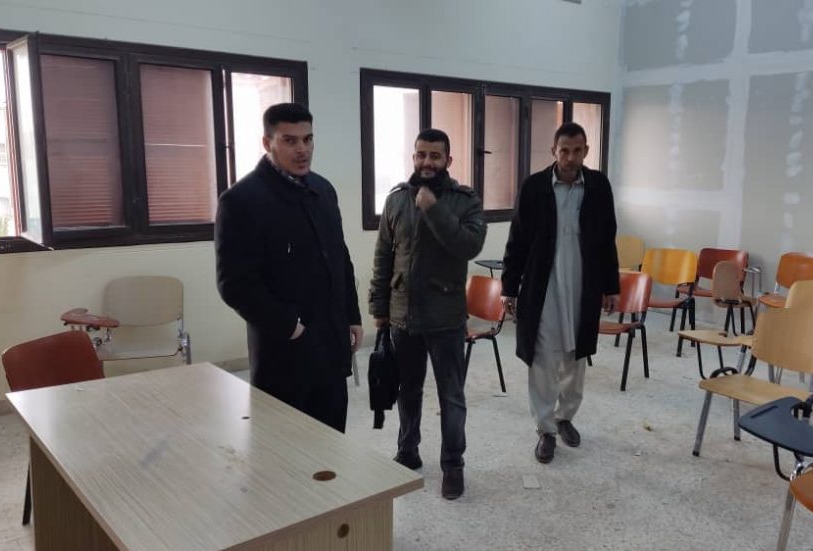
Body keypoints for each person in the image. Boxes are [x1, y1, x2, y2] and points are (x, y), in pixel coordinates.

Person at [215, 103, 363, 433]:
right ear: (267, 143)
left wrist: (351, 315)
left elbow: (339, 258)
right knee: (284, 448)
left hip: (330, 347)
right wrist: (289, 325)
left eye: (308, 139)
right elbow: (234, 284)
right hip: (284, 352)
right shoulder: (241, 200)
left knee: (331, 442)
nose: (302, 150)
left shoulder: (323, 190)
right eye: (290, 140)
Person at [369, 128, 487, 500]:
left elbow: (469, 246)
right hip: (403, 314)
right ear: (413, 156)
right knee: (408, 390)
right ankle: (408, 451)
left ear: (448, 160)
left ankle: (453, 465)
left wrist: (433, 208)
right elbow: (384, 256)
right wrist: (378, 307)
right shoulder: (397, 200)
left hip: (446, 317)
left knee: (451, 396)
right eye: (421, 154)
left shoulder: (465, 201)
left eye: (435, 156)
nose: (427, 162)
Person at [501, 122, 619, 464]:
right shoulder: (534, 187)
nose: (570, 157)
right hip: (543, 286)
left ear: (586, 151)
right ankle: (545, 429)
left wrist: (611, 286)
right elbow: (517, 240)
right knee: (542, 357)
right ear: (554, 151)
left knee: (576, 356)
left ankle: (565, 417)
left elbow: (608, 238)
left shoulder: (598, 186)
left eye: (577, 150)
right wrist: (509, 287)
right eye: (564, 150)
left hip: (584, 285)